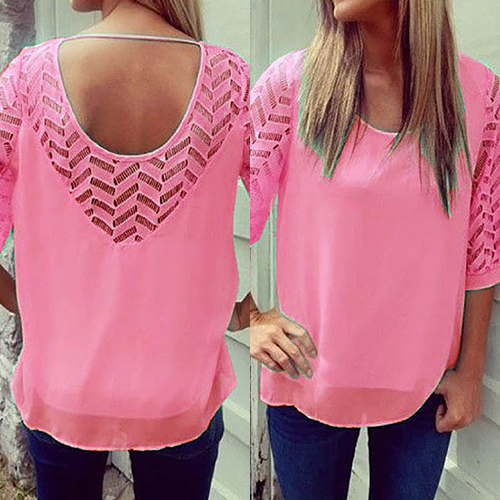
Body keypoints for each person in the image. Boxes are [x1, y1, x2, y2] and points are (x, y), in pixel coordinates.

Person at [0, 0, 250, 498]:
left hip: (63, 389)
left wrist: (29, 305)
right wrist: (248, 312)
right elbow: (301, 200)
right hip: (181, 392)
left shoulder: (27, 80)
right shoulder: (229, 81)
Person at [249, 0, 499, 499]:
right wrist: (249, 317)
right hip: (308, 380)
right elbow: (206, 211)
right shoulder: (289, 87)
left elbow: (483, 244)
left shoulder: (477, 94)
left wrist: (470, 373)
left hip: (424, 388)